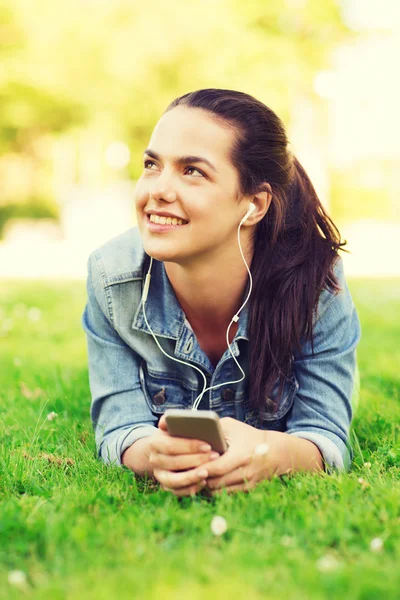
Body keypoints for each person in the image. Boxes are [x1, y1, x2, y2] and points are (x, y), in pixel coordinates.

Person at [82, 88, 361, 497]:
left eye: (192, 170)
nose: (158, 189)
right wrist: (155, 455)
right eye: (151, 164)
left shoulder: (314, 280)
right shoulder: (112, 278)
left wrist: (273, 452)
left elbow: (326, 437)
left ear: (255, 205)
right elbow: (120, 428)